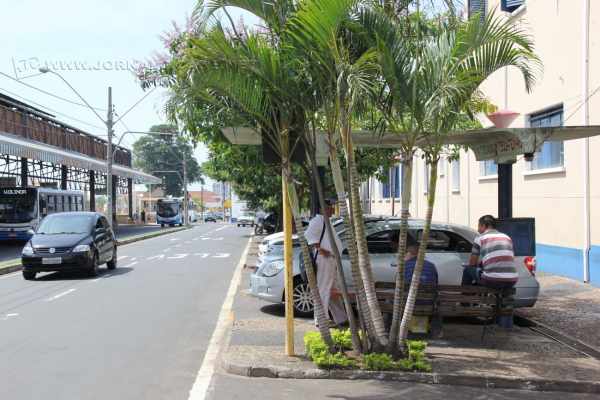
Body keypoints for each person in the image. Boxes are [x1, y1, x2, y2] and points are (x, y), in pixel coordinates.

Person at [304, 199, 347, 326]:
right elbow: (309, 236)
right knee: (324, 288)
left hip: (331, 260)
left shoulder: (325, 221)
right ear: (324, 208)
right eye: (331, 207)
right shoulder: (318, 220)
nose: (333, 209)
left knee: (332, 290)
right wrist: (321, 250)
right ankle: (321, 319)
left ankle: (341, 318)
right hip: (324, 260)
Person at [463, 215, 519, 289]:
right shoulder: (507, 237)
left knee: (468, 270)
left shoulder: (479, 238)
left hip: (492, 280)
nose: (478, 229)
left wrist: (471, 265)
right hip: (512, 280)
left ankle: (465, 299)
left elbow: (472, 263)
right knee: (483, 271)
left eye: (479, 226)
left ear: (484, 225)